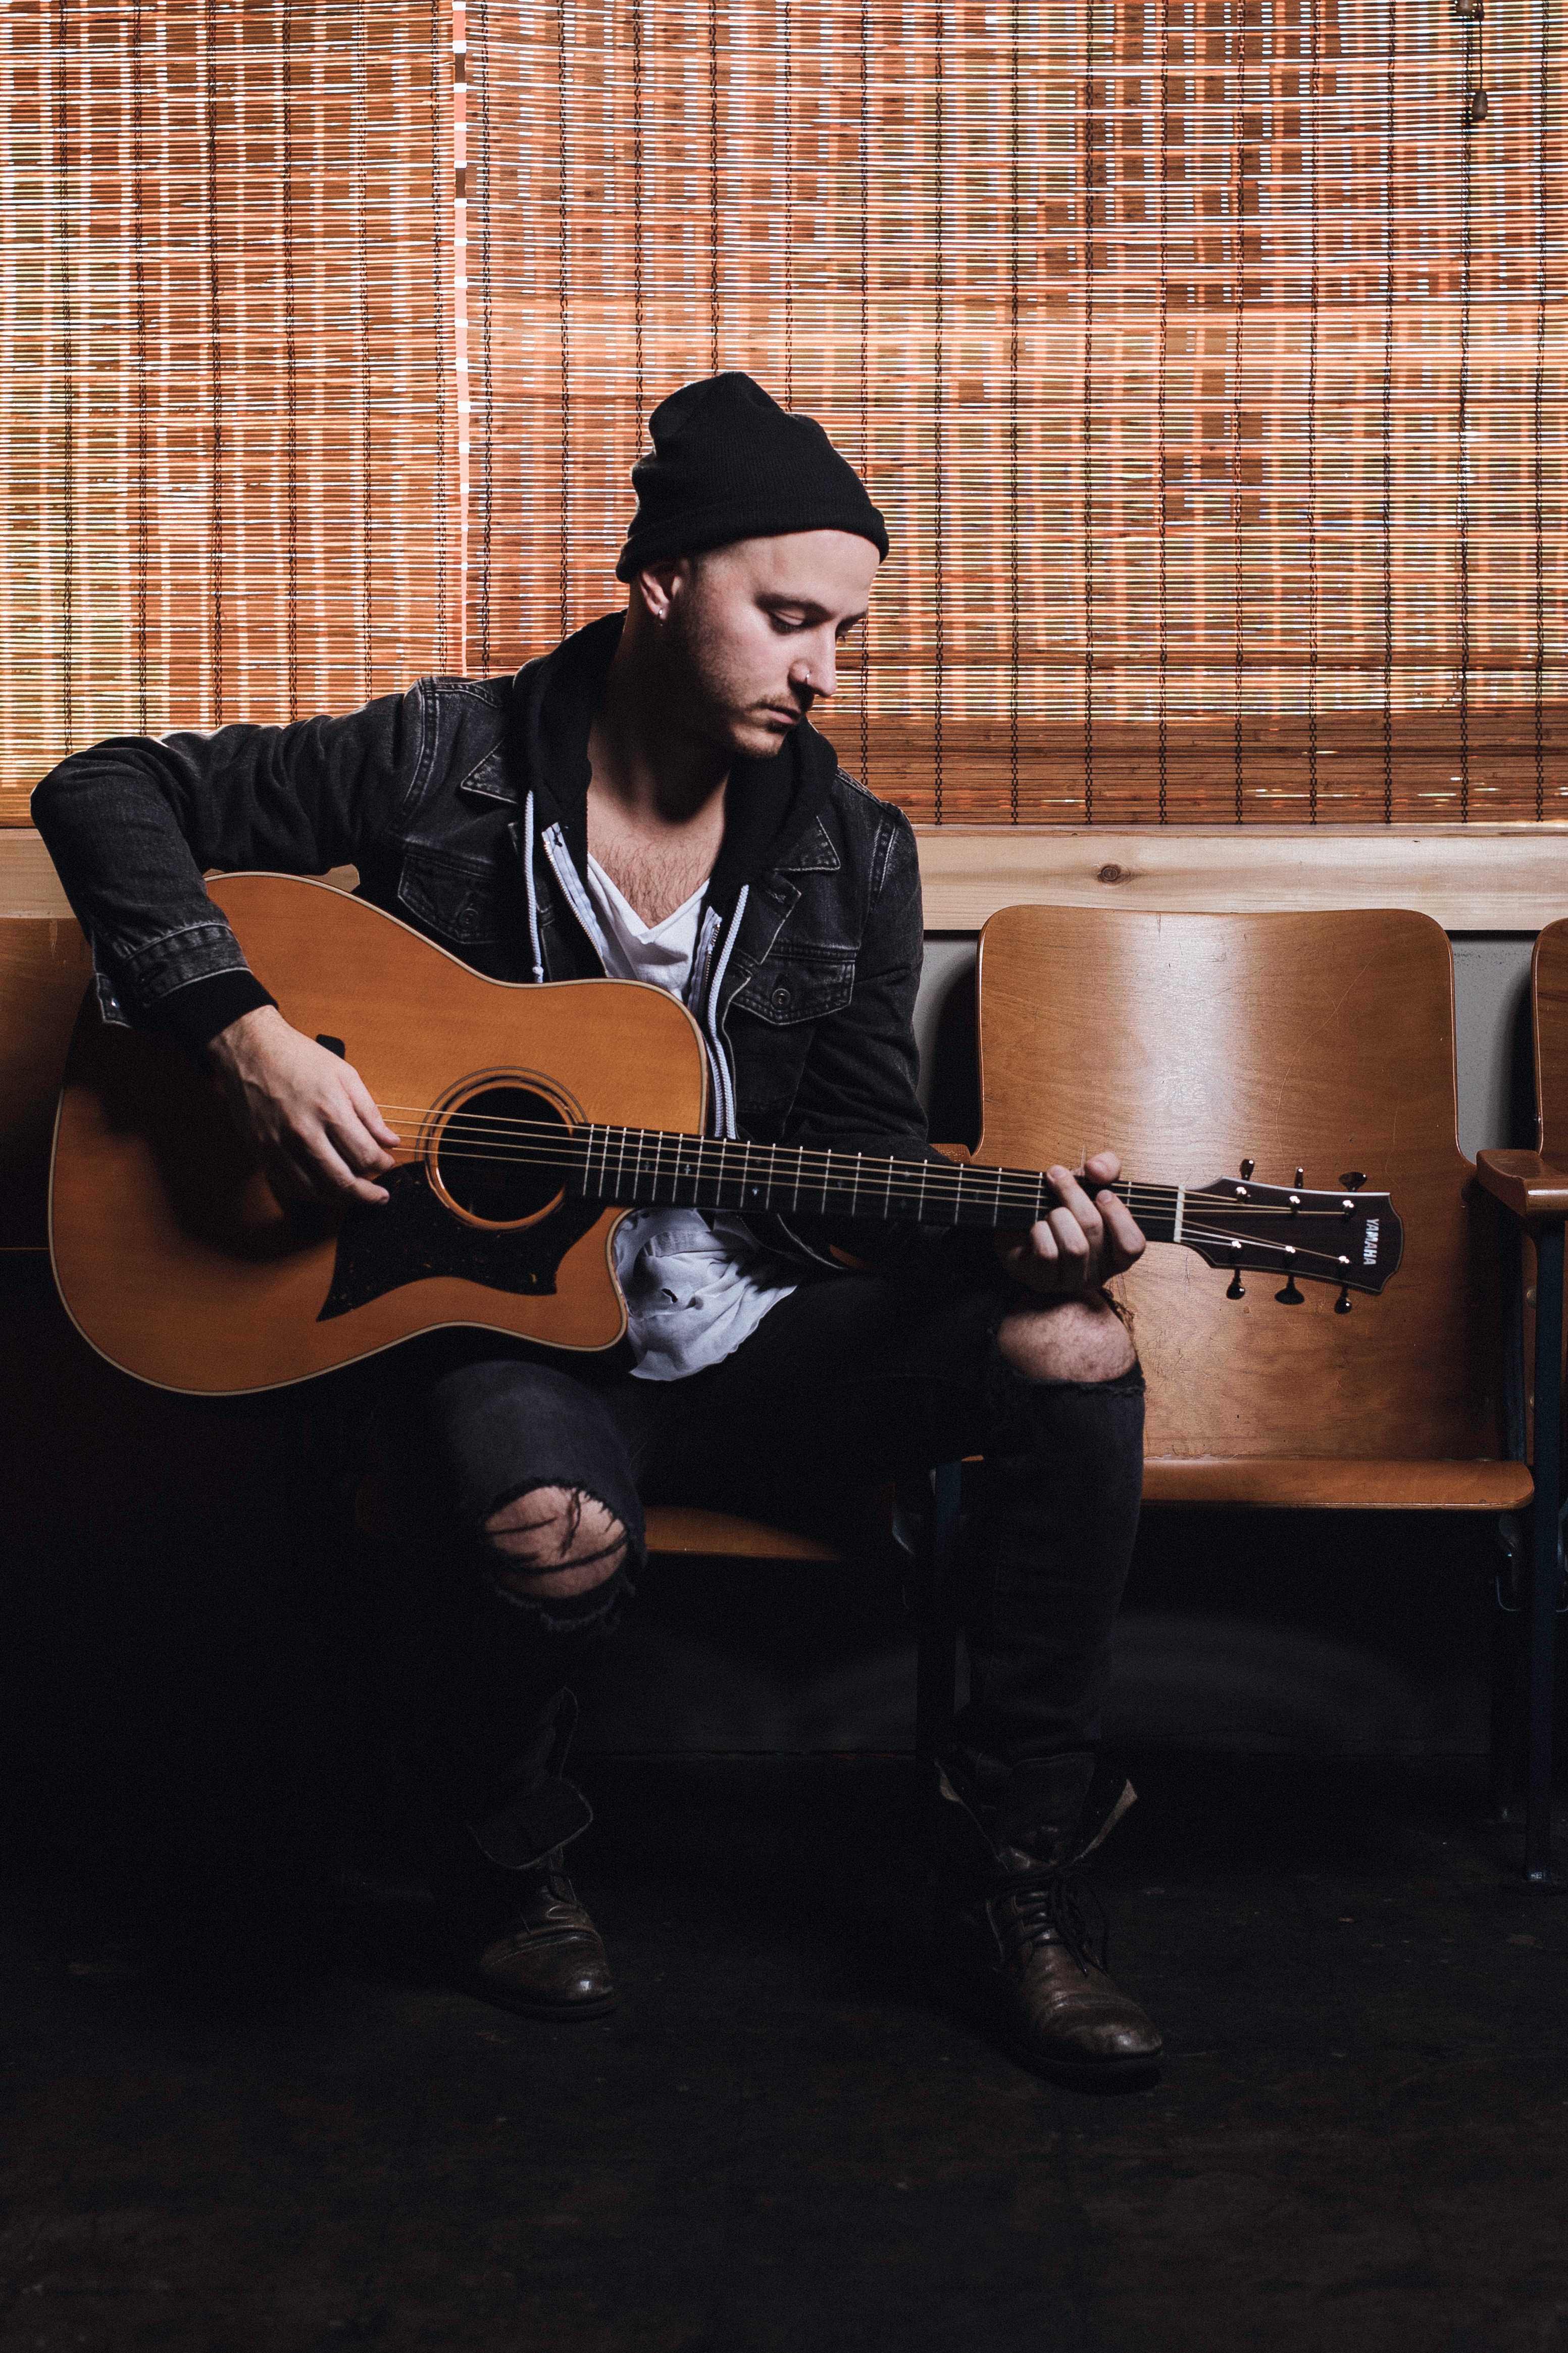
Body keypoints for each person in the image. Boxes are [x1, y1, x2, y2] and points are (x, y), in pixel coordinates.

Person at [32, 372, 1160, 2087]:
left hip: (754, 1328)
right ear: (660, 580)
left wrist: (1002, 1247)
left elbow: (859, 1158)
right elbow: (103, 790)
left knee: (1073, 1347)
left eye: (844, 632)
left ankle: (1017, 1876)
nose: (823, 670)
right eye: (788, 618)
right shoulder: (443, 759)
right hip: (493, 1325)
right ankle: (501, 1861)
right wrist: (242, 1037)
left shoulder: (852, 852)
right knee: (545, 1527)